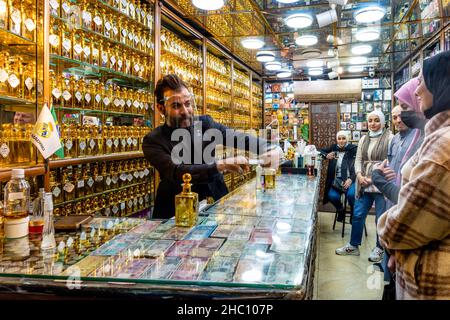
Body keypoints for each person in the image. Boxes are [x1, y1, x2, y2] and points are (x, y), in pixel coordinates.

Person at [143, 74, 282, 219]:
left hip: (216, 206)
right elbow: (177, 171)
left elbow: (237, 138)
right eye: (176, 106)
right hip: (176, 213)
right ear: (161, 108)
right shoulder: (153, 141)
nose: (185, 111)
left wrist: (270, 148)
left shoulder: (204, 125)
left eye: (188, 103)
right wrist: (220, 165)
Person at [377, 51, 450, 300]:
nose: (417, 91)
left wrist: (388, 235)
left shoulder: (443, 145)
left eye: (421, 81)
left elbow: (406, 222)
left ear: (440, 83)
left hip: (431, 281)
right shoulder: (437, 136)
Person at [335, 110, 393, 262]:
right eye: (370, 120)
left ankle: (380, 248)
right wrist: (359, 176)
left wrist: (373, 178)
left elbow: (389, 162)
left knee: (380, 218)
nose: (373, 124)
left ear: (382, 122)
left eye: (376, 120)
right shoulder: (363, 139)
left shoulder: (390, 138)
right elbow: (358, 160)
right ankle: (353, 246)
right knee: (358, 214)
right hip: (363, 183)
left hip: (381, 184)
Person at [320, 130, 357, 222]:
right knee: (331, 196)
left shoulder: (353, 149)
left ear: (347, 139)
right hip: (338, 179)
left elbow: (358, 166)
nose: (341, 141)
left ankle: (353, 212)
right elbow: (318, 150)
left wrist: (351, 179)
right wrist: (326, 155)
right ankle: (341, 210)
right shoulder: (333, 148)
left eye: (343, 138)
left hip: (351, 178)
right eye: (339, 139)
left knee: (351, 195)